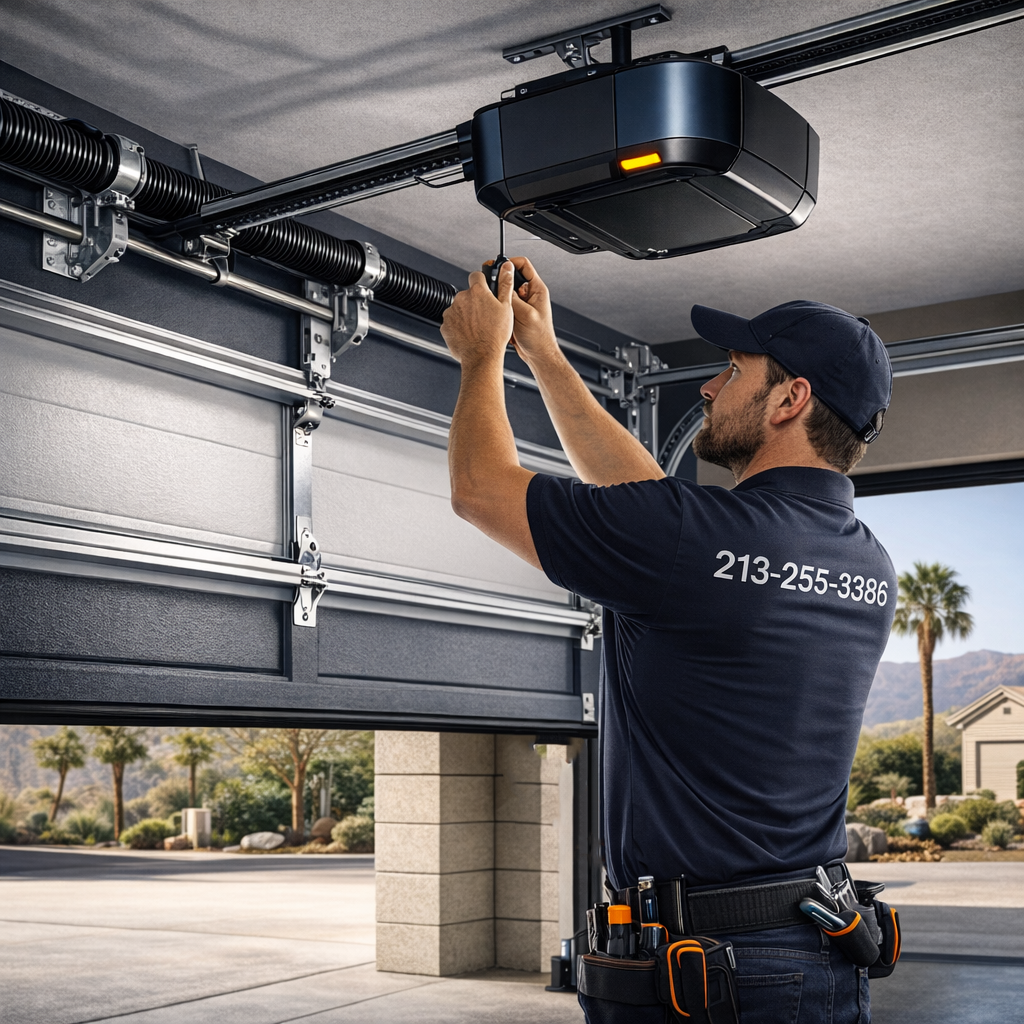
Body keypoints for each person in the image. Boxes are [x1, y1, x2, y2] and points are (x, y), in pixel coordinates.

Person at [440, 257, 896, 1024]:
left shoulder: (693, 540)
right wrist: (543, 355)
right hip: (809, 952)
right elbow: (652, 508)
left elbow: (481, 489)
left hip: (712, 974)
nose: (709, 389)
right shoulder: (866, 561)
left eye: (732, 369)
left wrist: (482, 355)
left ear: (790, 398)